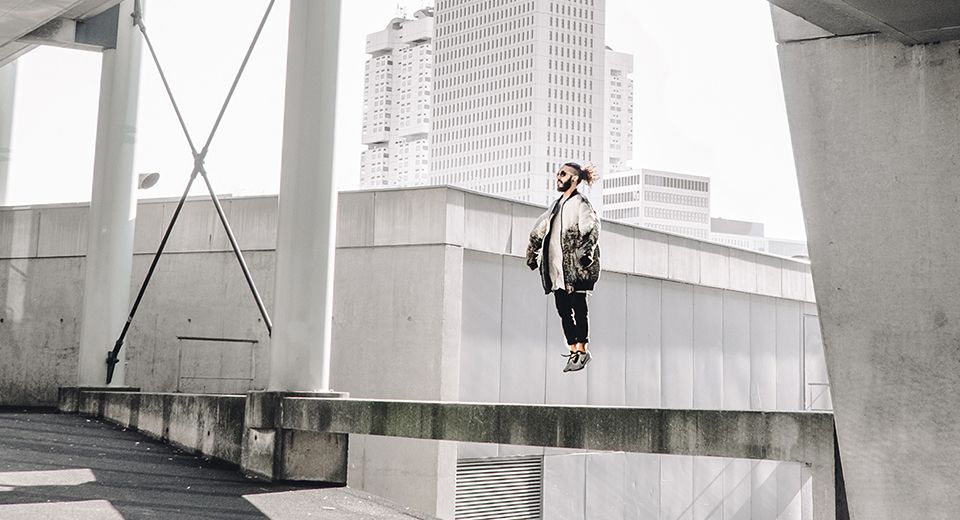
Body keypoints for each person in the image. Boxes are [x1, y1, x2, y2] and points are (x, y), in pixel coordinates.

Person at [526, 162, 601, 373]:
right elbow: (539, 229)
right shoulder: (556, 205)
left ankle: (582, 350)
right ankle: (573, 349)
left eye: (563, 174)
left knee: (579, 309)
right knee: (563, 310)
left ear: (574, 179)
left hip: (575, 270)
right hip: (556, 270)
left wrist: (586, 254)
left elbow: (591, 228)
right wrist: (532, 252)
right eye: (558, 173)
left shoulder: (581, 203)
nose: (558, 177)